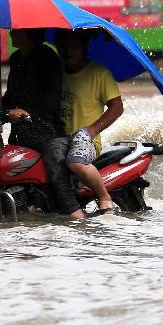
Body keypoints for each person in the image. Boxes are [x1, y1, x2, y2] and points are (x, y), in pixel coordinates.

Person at [0, 28, 81, 218]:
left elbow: (52, 100)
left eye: (16, 30)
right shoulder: (16, 59)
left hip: (48, 135)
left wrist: (26, 112)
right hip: (21, 134)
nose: (11, 33)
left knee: (58, 180)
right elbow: (11, 95)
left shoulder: (48, 59)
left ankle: (78, 218)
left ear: (29, 34)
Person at [55, 29, 124, 214]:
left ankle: (104, 197)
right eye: (62, 45)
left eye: (73, 46)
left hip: (87, 140)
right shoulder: (55, 73)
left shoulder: (99, 73)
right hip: (59, 137)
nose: (67, 50)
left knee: (75, 162)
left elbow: (117, 107)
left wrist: (92, 130)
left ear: (83, 47)